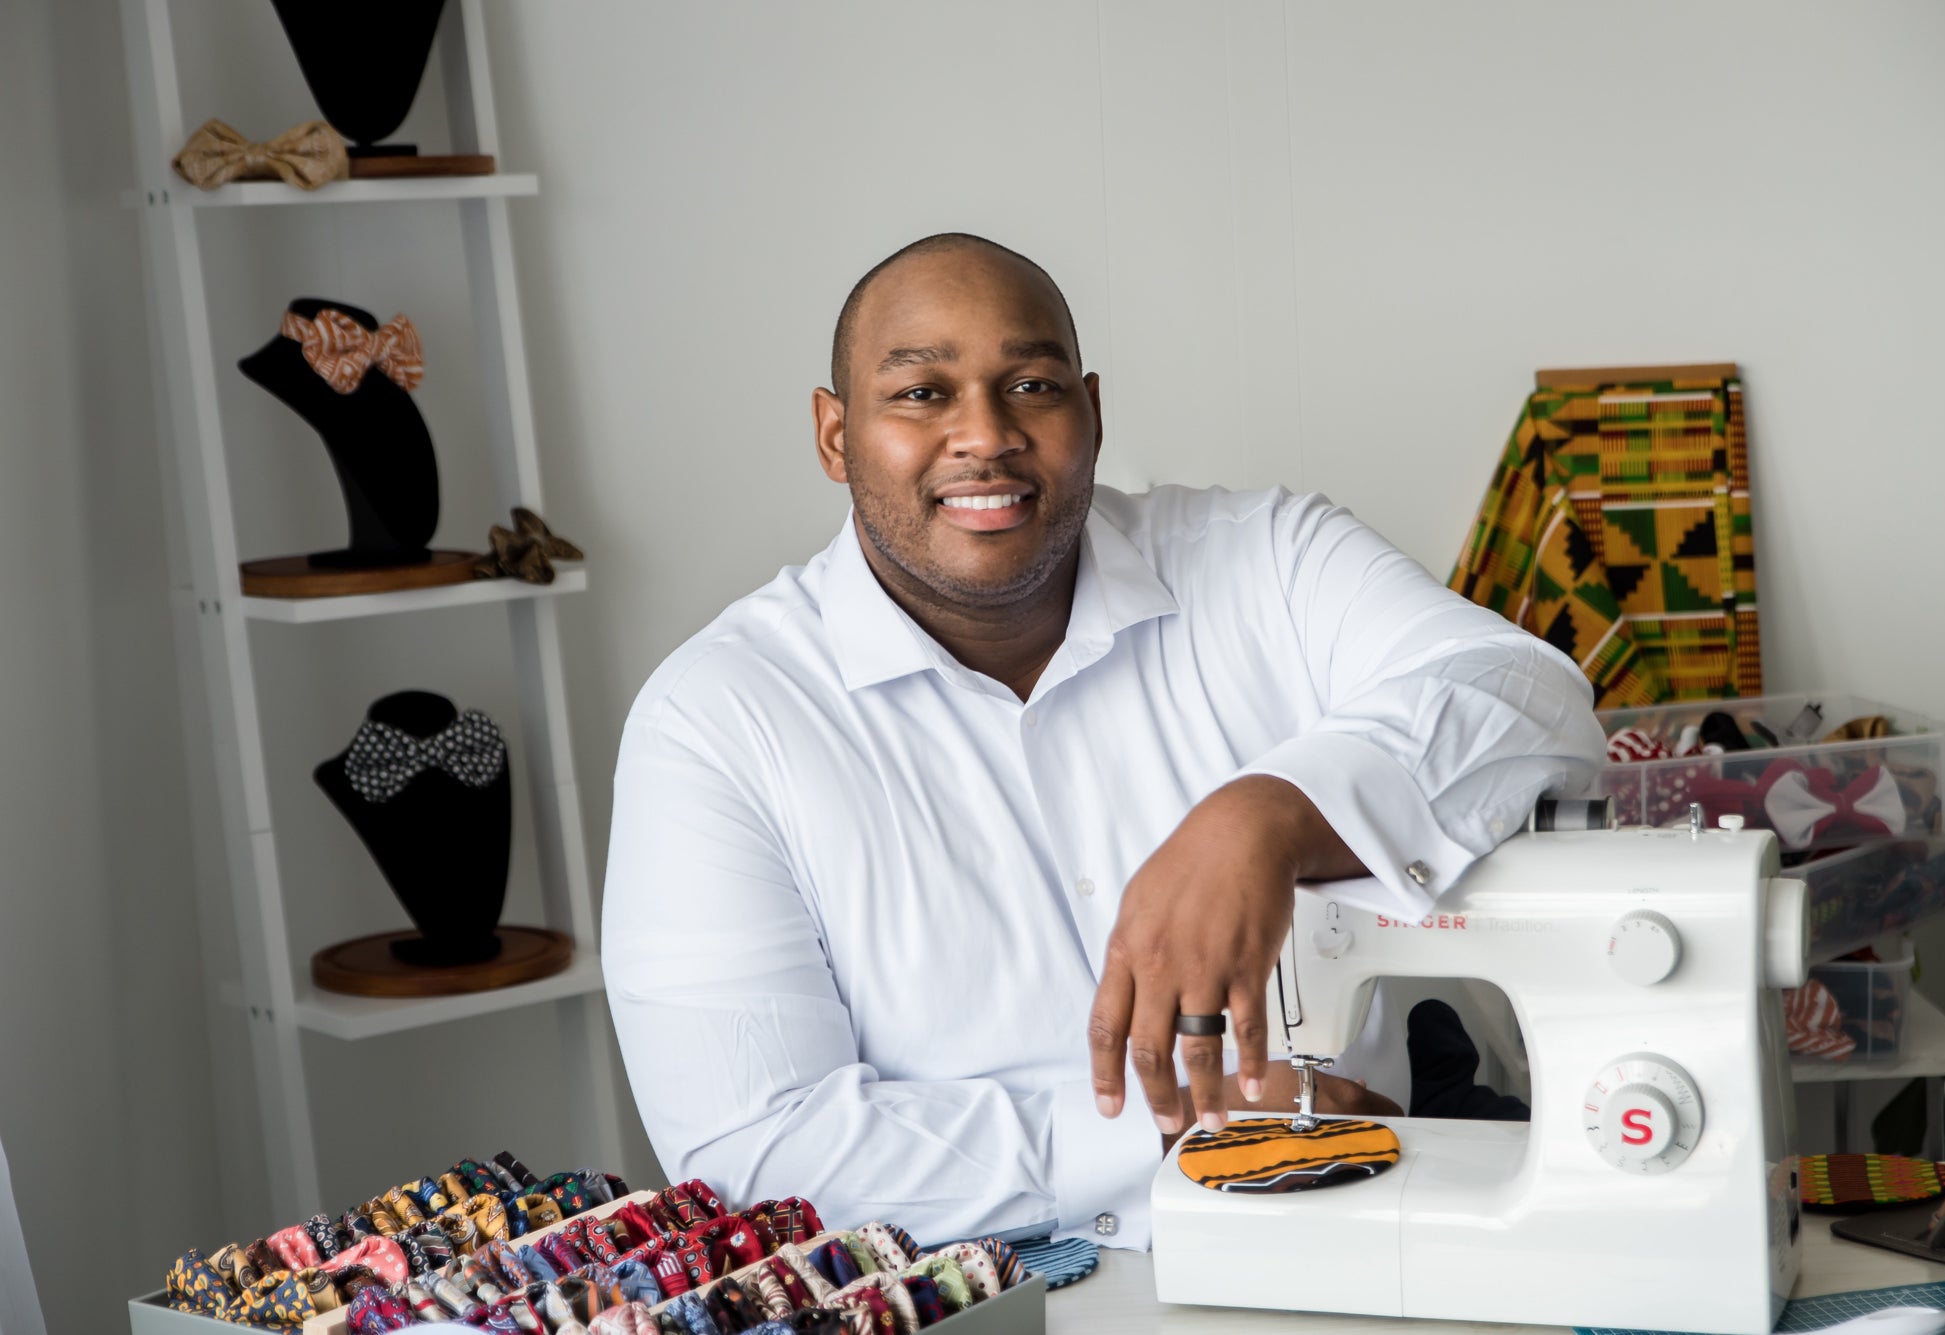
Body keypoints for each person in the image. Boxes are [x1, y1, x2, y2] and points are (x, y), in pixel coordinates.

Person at [601, 233, 1601, 1249]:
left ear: (1088, 410)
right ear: (833, 434)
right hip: (1000, 1279)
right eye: (919, 394)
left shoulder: (1266, 559)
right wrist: (1179, 1121)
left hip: (1383, 1198)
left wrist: (1267, 817)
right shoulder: (716, 721)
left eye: (1029, 385)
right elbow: (756, 1147)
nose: (984, 436)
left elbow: (1529, 698)